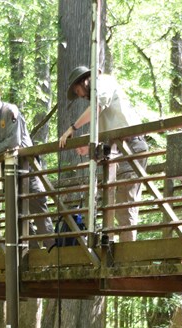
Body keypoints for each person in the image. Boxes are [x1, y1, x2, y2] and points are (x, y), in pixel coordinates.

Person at [59, 66, 149, 243]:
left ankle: (128, 255)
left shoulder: (102, 82)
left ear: (85, 81)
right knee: (115, 205)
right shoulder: (98, 97)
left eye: (78, 91)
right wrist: (90, 146)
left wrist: (73, 127)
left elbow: (98, 107)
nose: (81, 96)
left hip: (130, 146)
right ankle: (120, 251)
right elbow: (108, 127)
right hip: (118, 150)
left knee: (126, 205)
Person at [0, 83, 51, 239]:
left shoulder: (10, 111)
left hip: (27, 163)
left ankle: (50, 248)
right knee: (14, 209)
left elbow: (13, 143)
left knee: (37, 201)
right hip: (7, 165)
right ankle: (28, 250)